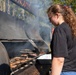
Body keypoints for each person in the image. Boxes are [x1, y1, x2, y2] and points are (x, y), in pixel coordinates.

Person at [47, 4, 76, 75]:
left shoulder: (60, 30)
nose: (50, 21)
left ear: (57, 15)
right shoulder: (72, 28)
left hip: (64, 71)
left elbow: (59, 59)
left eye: (50, 18)